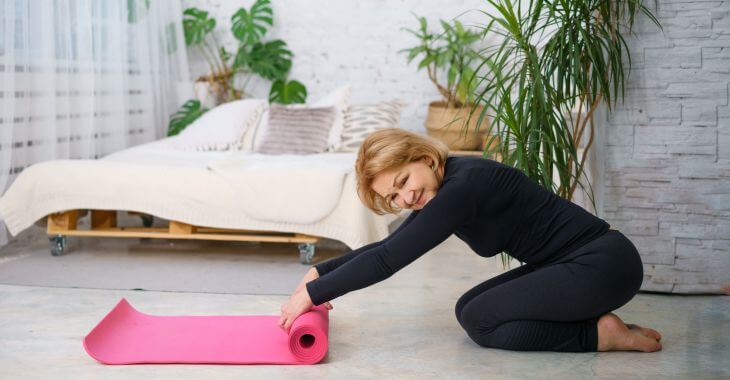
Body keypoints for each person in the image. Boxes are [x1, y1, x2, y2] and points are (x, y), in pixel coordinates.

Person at [278, 128, 662, 353]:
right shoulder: (449, 184)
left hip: (604, 265)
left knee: (481, 321)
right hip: (575, 263)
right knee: (469, 308)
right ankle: (597, 326)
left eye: (403, 183)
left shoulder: (463, 187)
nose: (405, 198)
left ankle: (599, 335)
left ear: (425, 158)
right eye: (393, 197)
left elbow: (388, 260)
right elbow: (388, 246)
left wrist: (312, 295)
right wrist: (318, 272)